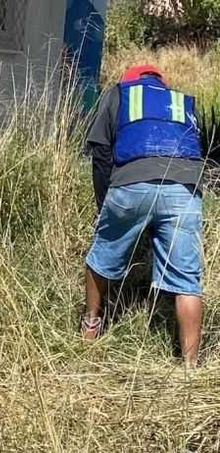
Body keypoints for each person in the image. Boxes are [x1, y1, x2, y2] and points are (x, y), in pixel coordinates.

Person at [82, 65, 206, 365]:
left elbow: (100, 151)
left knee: (101, 258)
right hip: (184, 190)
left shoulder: (118, 93)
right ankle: (191, 367)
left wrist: (105, 205)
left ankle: (90, 327)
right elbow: (196, 151)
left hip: (131, 183)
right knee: (187, 282)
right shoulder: (180, 101)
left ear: (130, 81)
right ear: (160, 83)